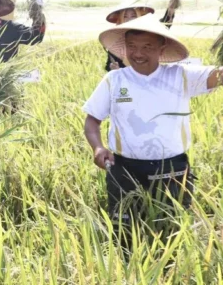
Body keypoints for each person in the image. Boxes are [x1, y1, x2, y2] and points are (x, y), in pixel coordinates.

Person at [83, 13, 223, 252]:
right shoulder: (115, 80)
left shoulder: (180, 76)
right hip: (124, 168)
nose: (138, 54)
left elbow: (219, 75)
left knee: (170, 232)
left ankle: (167, 277)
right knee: (125, 235)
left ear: (162, 47)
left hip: (173, 169)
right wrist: (97, 147)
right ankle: (127, 278)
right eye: (132, 47)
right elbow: (92, 121)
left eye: (147, 46)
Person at [102, 3, 155, 71]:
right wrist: (113, 68)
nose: (129, 20)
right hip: (124, 78)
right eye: (125, 16)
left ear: (139, 17)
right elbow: (109, 65)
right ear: (121, 19)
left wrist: (170, 11)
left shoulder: (148, 36)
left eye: (133, 16)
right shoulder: (115, 41)